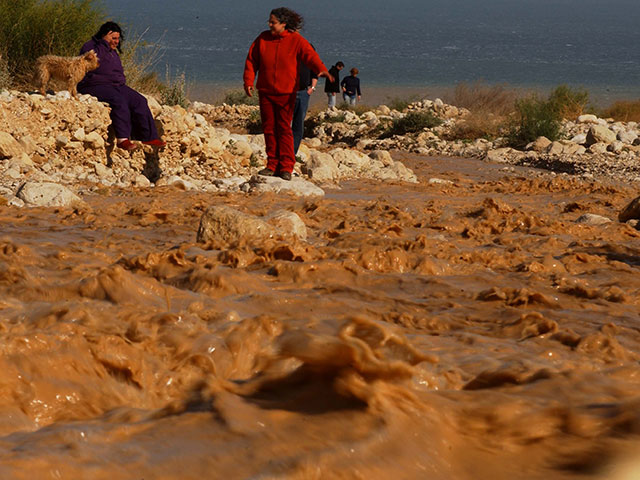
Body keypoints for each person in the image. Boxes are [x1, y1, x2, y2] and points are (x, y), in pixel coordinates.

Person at [244, 8, 333, 181]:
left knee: (284, 129)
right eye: (269, 21)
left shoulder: (296, 40)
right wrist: (248, 81)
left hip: (287, 93)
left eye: (273, 22)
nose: (269, 24)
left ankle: (286, 167)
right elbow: (251, 60)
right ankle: (272, 165)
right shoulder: (262, 38)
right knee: (269, 129)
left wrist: (322, 70)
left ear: (283, 24)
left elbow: (310, 56)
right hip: (265, 92)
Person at [78, 21, 166, 151]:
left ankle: (148, 137)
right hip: (93, 85)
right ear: (104, 35)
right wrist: (102, 45)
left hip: (116, 85)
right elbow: (85, 66)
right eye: (113, 38)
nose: (116, 41)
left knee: (140, 101)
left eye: (118, 39)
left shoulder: (113, 52)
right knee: (119, 101)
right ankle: (122, 139)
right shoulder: (91, 47)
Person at [292, 59, 318, 155]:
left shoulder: (310, 60)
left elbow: (315, 74)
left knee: (299, 123)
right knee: (285, 122)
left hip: (303, 93)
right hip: (288, 92)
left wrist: (312, 88)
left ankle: (292, 152)